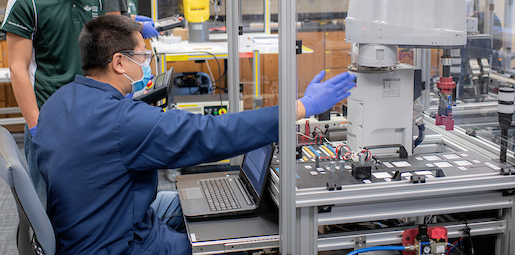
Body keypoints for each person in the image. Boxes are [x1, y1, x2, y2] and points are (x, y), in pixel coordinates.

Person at [33, 14, 356, 255]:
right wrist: (301, 107)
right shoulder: (123, 122)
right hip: (117, 244)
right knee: (230, 244)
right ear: (119, 62)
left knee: (191, 202)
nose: (147, 63)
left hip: (88, 224)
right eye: (143, 56)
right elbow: (212, 133)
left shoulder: (59, 100)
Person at [0, 0, 107, 207]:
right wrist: (36, 128)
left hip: (92, 114)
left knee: (92, 197)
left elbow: (100, 52)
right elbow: (18, 68)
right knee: (47, 203)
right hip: (49, 118)